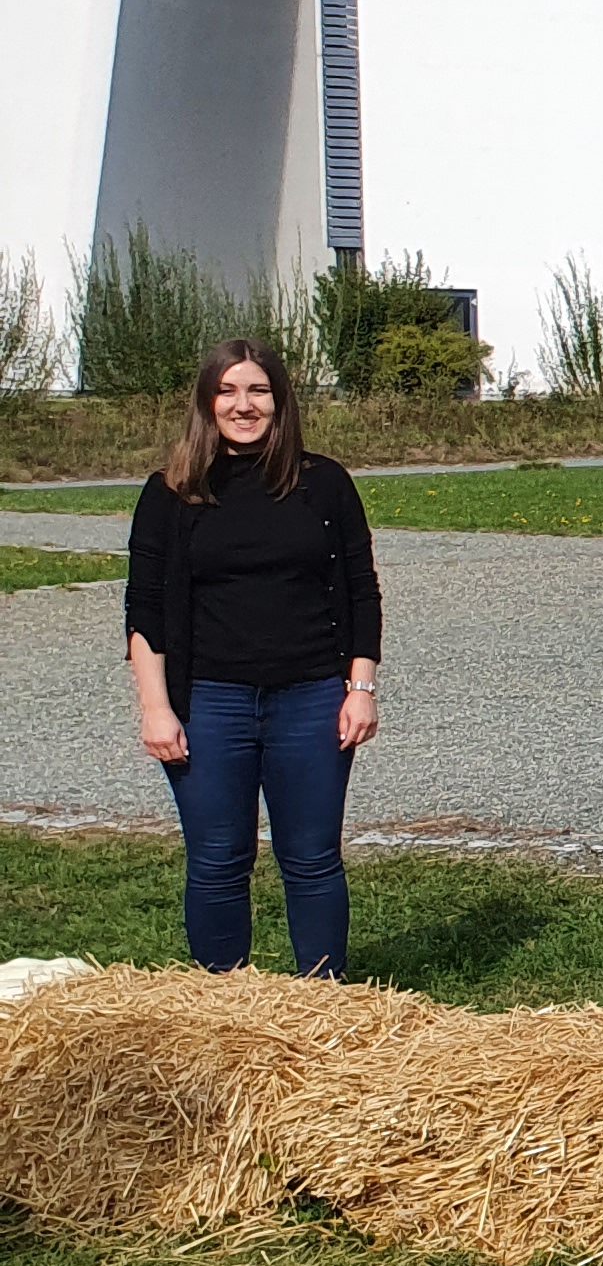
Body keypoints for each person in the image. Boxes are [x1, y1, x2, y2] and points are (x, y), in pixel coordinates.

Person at [125, 340, 380, 978]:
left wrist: (360, 688)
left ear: (280, 400)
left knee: (313, 858)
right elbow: (144, 613)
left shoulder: (324, 484)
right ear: (208, 402)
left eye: (259, 391)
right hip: (209, 701)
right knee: (216, 861)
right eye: (229, 391)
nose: (244, 406)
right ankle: (225, 1007)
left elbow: (360, 591)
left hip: (312, 697)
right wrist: (156, 709)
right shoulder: (170, 494)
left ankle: (323, 1003)